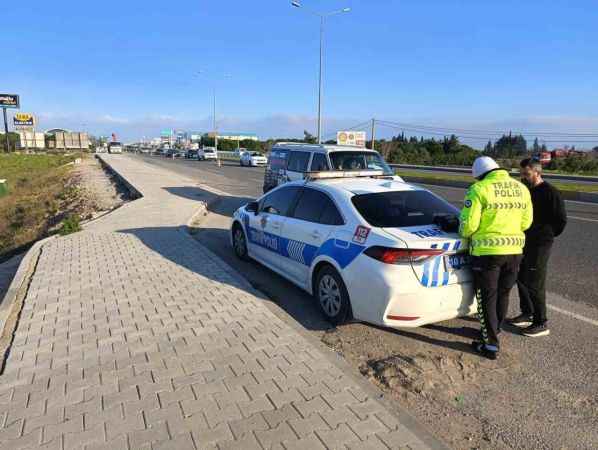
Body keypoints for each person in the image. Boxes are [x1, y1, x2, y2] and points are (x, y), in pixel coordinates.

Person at [459, 156, 533, 359]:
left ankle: (490, 344)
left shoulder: (479, 189)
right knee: (503, 293)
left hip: (487, 254)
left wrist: (460, 228)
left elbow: (468, 227)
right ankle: (494, 330)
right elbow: (526, 223)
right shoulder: (521, 188)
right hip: (515, 251)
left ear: (479, 175)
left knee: (486, 298)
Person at [508, 158, 567, 337]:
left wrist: (545, 236)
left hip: (540, 244)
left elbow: (560, 220)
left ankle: (541, 322)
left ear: (537, 172)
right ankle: (527, 313)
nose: (523, 177)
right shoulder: (524, 190)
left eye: (526, 174)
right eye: (521, 174)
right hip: (523, 241)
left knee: (535, 282)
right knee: (521, 278)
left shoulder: (550, 192)